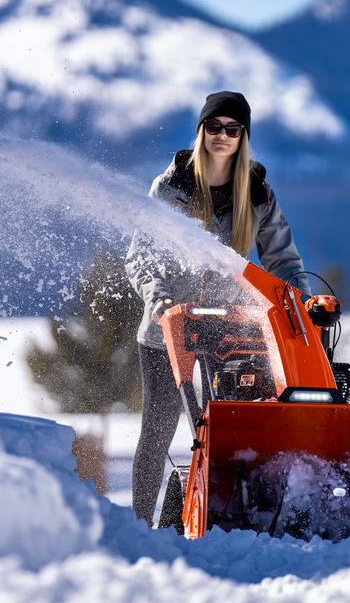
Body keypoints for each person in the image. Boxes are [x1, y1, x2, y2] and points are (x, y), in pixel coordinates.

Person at [123, 90, 311, 526]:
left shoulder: (258, 193)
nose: (221, 135)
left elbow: (282, 261)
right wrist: (160, 299)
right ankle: (136, 527)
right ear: (201, 130)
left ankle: (212, 525)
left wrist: (303, 304)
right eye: (213, 126)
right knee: (158, 430)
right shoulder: (172, 187)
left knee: (223, 434)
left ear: (243, 136)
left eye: (232, 128)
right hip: (170, 328)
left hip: (231, 333)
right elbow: (141, 256)